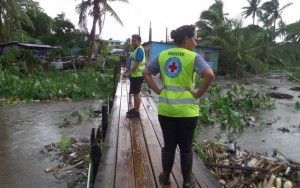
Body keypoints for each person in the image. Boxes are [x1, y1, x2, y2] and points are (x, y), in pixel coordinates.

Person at [142, 25, 214, 188]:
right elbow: (209, 74)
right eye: (195, 39)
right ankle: (187, 181)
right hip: (187, 112)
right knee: (186, 147)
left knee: (169, 145)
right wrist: (197, 94)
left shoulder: (163, 55)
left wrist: (157, 90)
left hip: (166, 110)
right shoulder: (193, 57)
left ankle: (166, 177)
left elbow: (145, 72)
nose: (195, 43)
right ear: (187, 39)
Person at [123, 34, 145, 118]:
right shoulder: (135, 50)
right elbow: (131, 63)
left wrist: (129, 72)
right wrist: (127, 70)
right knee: (135, 93)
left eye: (135, 41)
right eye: (132, 41)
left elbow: (137, 63)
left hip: (137, 75)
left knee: (136, 93)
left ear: (139, 41)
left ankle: (136, 111)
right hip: (134, 75)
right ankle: (135, 109)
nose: (133, 42)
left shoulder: (139, 49)